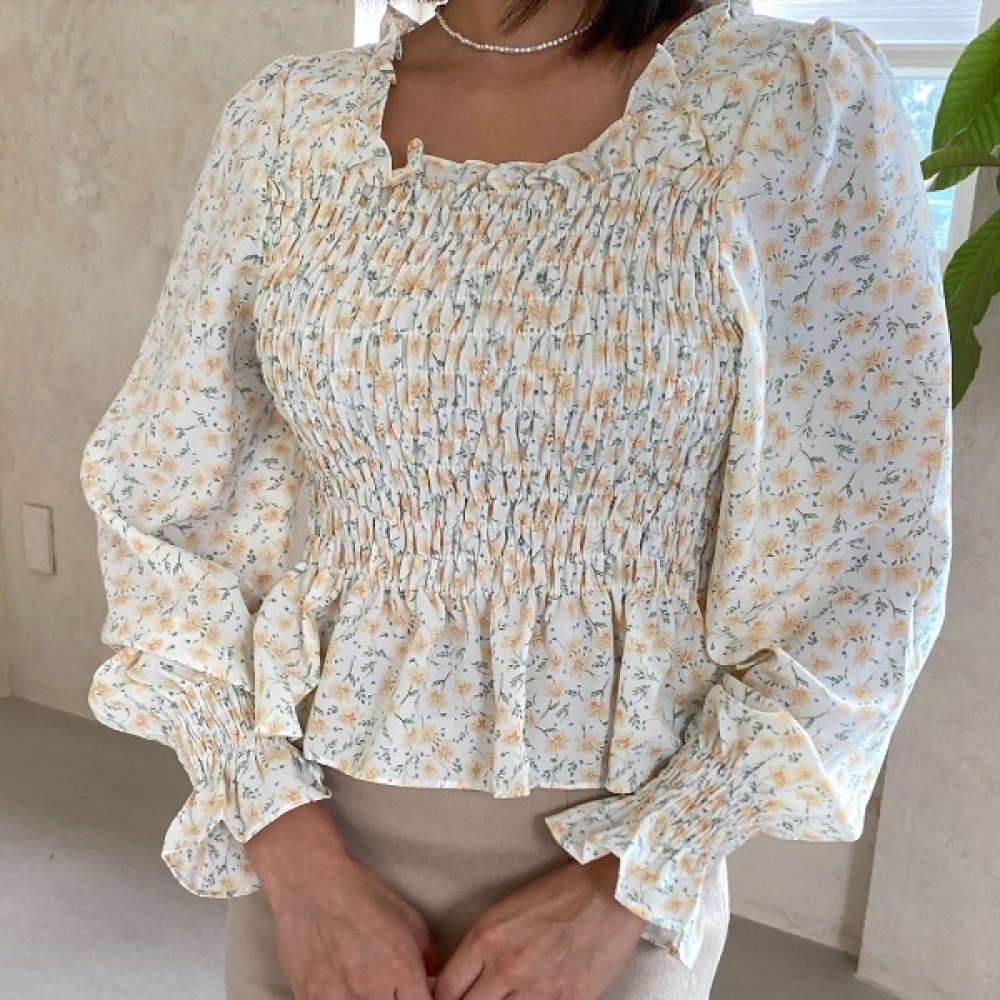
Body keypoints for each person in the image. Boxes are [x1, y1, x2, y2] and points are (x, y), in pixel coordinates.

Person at [79, 0, 953, 998]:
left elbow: (868, 560)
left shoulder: (788, 102)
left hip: (612, 899)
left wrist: (623, 883)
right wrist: (297, 862)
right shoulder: (288, 124)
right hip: (314, 864)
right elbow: (160, 503)